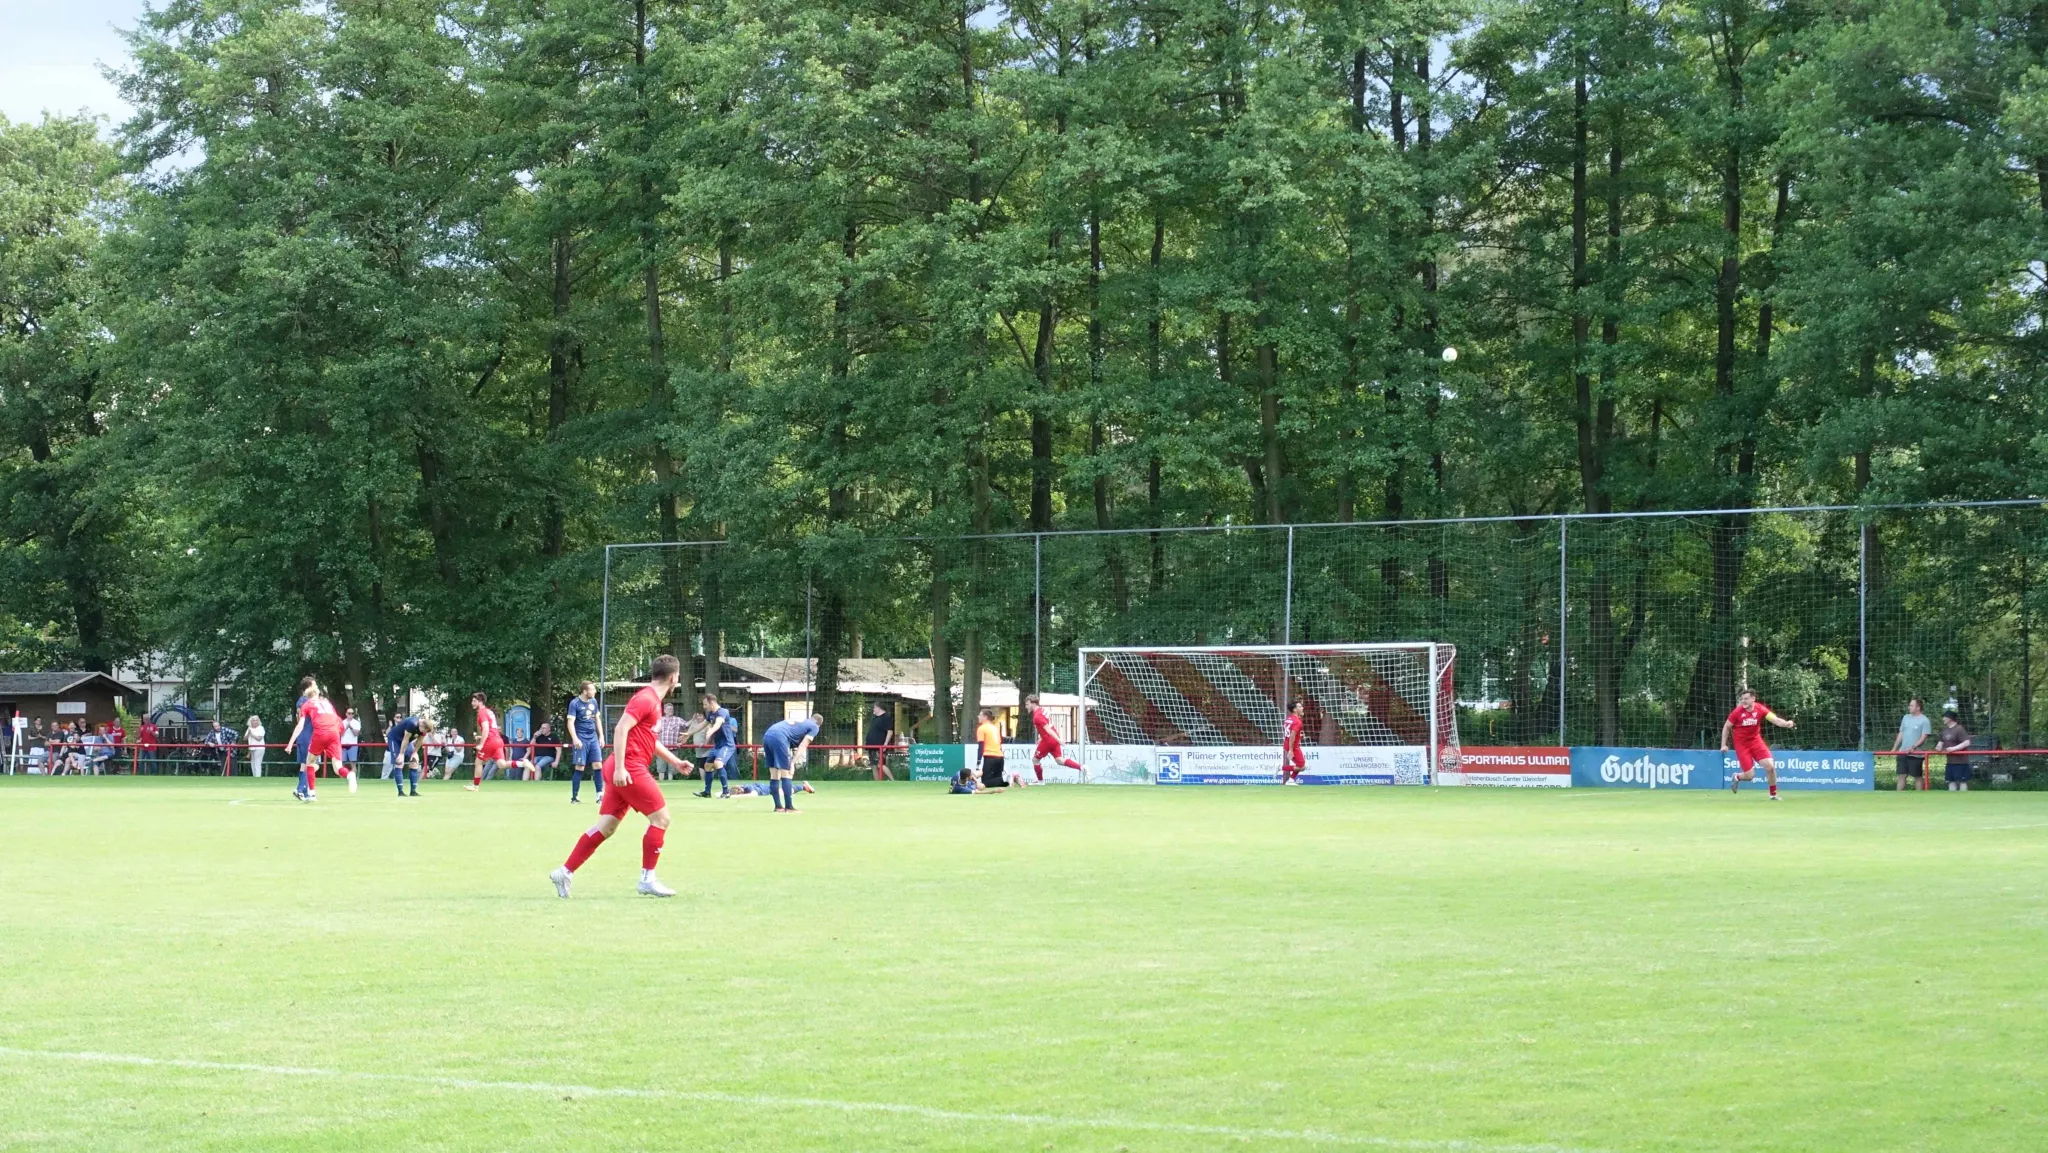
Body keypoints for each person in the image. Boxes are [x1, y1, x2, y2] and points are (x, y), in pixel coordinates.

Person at [549, 653, 689, 899]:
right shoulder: (646, 699)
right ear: (674, 677)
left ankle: (564, 872)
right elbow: (621, 728)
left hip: (621, 766)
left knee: (606, 827)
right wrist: (621, 768)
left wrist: (675, 762)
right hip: (629, 767)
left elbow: (649, 739)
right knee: (661, 819)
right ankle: (647, 879)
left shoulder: (653, 701)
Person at [1722, 688, 1796, 799]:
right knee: (1750, 776)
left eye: (1746, 699)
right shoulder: (1737, 712)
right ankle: (1737, 777)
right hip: (1742, 745)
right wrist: (1723, 744)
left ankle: (1773, 794)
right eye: (1742, 699)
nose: (1743, 701)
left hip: (1756, 741)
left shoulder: (1760, 709)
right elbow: (1727, 727)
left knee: (1770, 767)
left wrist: (1786, 724)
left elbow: (1775, 719)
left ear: (1753, 699)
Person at [286, 683, 352, 801]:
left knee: (309, 763)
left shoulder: (306, 704)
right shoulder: (327, 703)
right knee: (337, 767)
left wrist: (290, 743)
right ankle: (349, 774)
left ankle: (309, 793)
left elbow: (300, 724)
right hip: (334, 734)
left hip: (318, 734)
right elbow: (339, 722)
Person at [760, 712, 821, 812]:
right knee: (787, 773)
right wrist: (792, 763)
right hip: (780, 737)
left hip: (767, 735)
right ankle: (789, 807)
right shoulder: (815, 727)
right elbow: (803, 745)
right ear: (819, 724)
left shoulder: (804, 722)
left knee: (774, 775)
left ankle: (778, 807)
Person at [567, 681, 605, 804]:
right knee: (580, 767)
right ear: (585, 691)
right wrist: (575, 738)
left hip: (593, 737)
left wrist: (601, 736)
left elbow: (597, 719)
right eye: (592, 689)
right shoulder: (575, 703)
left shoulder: (593, 701)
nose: (594, 691)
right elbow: (570, 723)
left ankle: (599, 796)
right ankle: (574, 797)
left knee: (598, 765)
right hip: (581, 738)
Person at [695, 693, 737, 798]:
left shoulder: (723, 712)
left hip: (727, 745)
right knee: (707, 766)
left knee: (718, 763)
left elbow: (718, 723)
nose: (704, 707)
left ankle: (726, 792)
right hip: (718, 746)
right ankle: (707, 792)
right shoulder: (711, 714)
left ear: (712, 703)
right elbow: (702, 725)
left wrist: (711, 730)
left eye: (705, 704)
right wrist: (688, 734)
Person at [466, 693, 506, 791]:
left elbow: (486, 729)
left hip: (490, 741)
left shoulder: (482, 712)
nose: (472, 703)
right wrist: (481, 737)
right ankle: (522, 763)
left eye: (474, 701)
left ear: (480, 702)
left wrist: (481, 744)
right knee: (502, 764)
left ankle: (475, 786)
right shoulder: (489, 711)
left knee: (478, 762)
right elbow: (492, 728)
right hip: (498, 740)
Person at [386, 713, 433, 797]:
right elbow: (405, 739)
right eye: (424, 731)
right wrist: (401, 754)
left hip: (407, 742)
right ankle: (400, 792)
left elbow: (420, 740)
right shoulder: (412, 724)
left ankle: (413, 791)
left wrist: (414, 752)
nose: (424, 733)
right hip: (395, 739)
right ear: (421, 725)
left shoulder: (424, 728)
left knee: (414, 762)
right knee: (399, 762)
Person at [1893, 697, 1932, 792]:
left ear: (1918, 707)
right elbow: (1901, 733)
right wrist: (1894, 748)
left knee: (1917, 776)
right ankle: (1898, 795)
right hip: (1902, 752)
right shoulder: (1906, 717)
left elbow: (1923, 737)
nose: (1909, 707)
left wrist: (1913, 747)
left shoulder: (1924, 720)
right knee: (1902, 775)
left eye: (1911, 705)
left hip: (1916, 754)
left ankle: (1919, 796)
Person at [1936, 709, 1973, 791]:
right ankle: (1952, 797)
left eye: (1944, 717)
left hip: (1961, 762)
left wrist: (1953, 749)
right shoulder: (1944, 730)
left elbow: (1967, 742)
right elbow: (1941, 741)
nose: (1943, 719)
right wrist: (1938, 747)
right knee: (1950, 781)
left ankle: (1964, 797)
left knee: (1962, 781)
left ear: (1950, 718)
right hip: (1950, 762)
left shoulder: (1959, 729)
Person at [974, 708, 1010, 789]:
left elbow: (981, 745)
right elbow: (999, 744)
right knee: (997, 781)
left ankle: (1006, 779)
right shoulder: (995, 728)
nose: (978, 716)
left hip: (990, 757)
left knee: (985, 782)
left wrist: (978, 761)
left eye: (980, 715)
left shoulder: (982, 728)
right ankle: (1006, 780)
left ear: (985, 717)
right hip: (1000, 757)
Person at [863, 701, 896, 781]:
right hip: (871, 746)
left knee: (880, 764)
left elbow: (890, 732)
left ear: (879, 708)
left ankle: (893, 780)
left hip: (879, 746)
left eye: (874, 707)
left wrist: (885, 744)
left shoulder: (886, 718)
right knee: (873, 765)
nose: (873, 709)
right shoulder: (874, 718)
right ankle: (877, 783)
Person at [655, 703, 688, 781]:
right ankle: (661, 783)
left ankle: (671, 782)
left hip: (673, 748)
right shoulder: (660, 720)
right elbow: (654, 731)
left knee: (672, 769)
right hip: (662, 749)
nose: (671, 710)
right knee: (661, 768)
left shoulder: (677, 719)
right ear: (665, 710)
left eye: (672, 709)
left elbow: (687, 725)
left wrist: (693, 720)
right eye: (669, 709)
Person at [1279, 698, 1307, 785]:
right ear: (1295, 709)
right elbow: (1292, 736)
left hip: (1287, 744)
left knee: (1300, 765)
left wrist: (1299, 736)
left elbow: (1291, 733)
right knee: (1302, 766)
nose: (1302, 708)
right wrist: (1291, 750)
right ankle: (1281, 768)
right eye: (1300, 707)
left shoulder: (1288, 719)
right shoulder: (1297, 722)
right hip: (1293, 747)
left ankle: (1291, 780)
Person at [723, 780, 815, 799]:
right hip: (768, 787)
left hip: (772, 790)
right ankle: (803, 787)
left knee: (787, 792)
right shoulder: (744, 786)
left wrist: (733, 797)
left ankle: (804, 787)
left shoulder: (749, 788)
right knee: (787, 790)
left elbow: (753, 795)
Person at [341, 708, 361, 777]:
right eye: (349, 713)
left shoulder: (356, 723)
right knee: (342, 764)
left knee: (353, 764)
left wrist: (351, 728)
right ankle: (341, 778)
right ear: (346, 714)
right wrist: (346, 728)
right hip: (343, 745)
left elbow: (356, 734)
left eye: (352, 713)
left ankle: (353, 778)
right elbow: (340, 734)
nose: (351, 715)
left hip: (353, 745)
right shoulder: (342, 722)